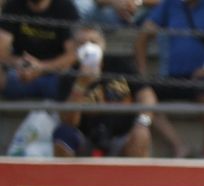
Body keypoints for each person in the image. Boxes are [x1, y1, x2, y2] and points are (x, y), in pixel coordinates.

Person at [135, 0, 204, 158]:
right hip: (177, 77)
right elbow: (143, 35)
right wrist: (142, 73)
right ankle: (178, 145)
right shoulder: (171, 4)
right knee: (143, 91)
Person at [52, 24, 157, 158]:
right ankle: (66, 179)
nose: (89, 47)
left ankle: (136, 179)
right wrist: (81, 84)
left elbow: (146, 94)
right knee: (63, 134)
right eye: (82, 43)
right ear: (74, 48)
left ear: (103, 44)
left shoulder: (120, 64)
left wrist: (143, 122)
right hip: (85, 139)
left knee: (141, 134)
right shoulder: (68, 76)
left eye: (93, 42)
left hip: (121, 137)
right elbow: (69, 121)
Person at [1, 0, 79, 102]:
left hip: (54, 74)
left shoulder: (65, 7)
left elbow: (73, 54)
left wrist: (41, 67)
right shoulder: (13, 5)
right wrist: (20, 63)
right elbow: (1, 51)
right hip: (19, 72)